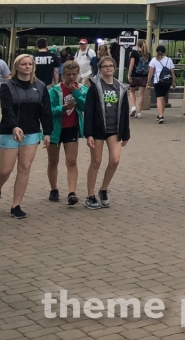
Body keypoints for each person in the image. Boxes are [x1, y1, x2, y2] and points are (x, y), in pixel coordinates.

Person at [0, 54, 54, 218]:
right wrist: (14, 126)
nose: (27, 66)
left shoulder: (41, 86)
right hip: (9, 131)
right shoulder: (6, 86)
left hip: (31, 132)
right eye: (23, 64)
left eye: (30, 64)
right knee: (5, 169)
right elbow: (7, 109)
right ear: (16, 66)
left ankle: (16, 205)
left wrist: (47, 132)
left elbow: (45, 110)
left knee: (24, 168)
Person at [83, 56, 130, 210]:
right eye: (105, 66)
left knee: (115, 160)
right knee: (96, 161)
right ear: (100, 69)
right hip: (97, 129)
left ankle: (103, 189)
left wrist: (126, 133)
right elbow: (88, 110)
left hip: (114, 129)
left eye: (110, 66)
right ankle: (90, 195)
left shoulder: (121, 87)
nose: (108, 68)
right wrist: (88, 133)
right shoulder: (95, 86)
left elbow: (124, 111)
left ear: (114, 68)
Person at [46, 60, 88, 205]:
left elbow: (85, 107)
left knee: (71, 161)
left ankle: (72, 192)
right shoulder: (54, 90)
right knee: (53, 161)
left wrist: (76, 93)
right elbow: (48, 111)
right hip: (55, 129)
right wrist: (62, 108)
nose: (71, 77)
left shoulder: (82, 89)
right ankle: (54, 189)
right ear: (63, 74)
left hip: (72, 127)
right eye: (68, 74)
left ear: (78, 74)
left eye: (74, 74)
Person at [148, 45, 175, 124]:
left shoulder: (154, 60)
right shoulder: (169, 60)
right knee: (163, 98)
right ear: (164, 52)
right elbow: (172, 72)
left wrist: (148, 82)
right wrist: (173, 82)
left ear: (156, 51)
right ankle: (160, 114)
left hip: (158, 81)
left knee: (159, 98)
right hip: (167, 81)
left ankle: (160, 116)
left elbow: (150, 72)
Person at [127, 41, 150, 118]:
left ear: (137, 45)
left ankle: (133, 107)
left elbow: (132, 64)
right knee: (141, 94)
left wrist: (129, 74)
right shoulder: (148, 55)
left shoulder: (134, 53)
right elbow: (149, 67)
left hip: (134, 75)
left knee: (132, 92)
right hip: (143, 76)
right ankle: (139, 112)